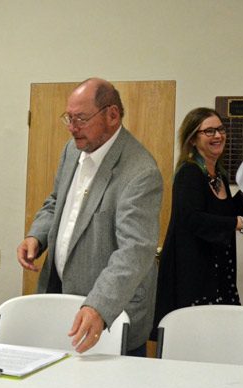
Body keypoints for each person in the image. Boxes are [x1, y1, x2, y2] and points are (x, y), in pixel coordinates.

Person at [17, 78, 163, 356]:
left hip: (110, 313)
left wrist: (98, 305)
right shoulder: (73, 150)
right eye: (69, 118)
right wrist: (36, 235)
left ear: (112, 115)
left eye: (81, 119)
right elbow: (56, 202)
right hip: (61, 300)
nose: (72, 128)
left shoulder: (140, 172)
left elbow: (135, 251)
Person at [154, 107, 243, 333]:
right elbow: (195, 220)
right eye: (209, 131)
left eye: (221, 129)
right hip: (194, 277)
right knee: (196, 341)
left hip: (219, 274)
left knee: (220, 339)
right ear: (192, 139)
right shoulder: (189, 173)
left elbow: (223, 213)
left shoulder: (218, 174)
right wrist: (241, 223)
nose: (218, 136)